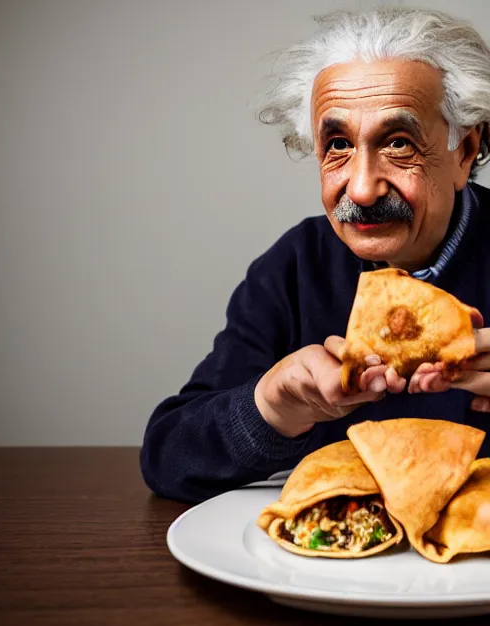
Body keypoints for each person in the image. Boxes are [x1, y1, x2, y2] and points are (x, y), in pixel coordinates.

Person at [141, 6, 490, 503]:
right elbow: (167, 454)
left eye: (397, 142)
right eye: (339, 145)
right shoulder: (292, 268)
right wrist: (271, 408)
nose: (363, 189)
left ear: (465, 150)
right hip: (327, 572)